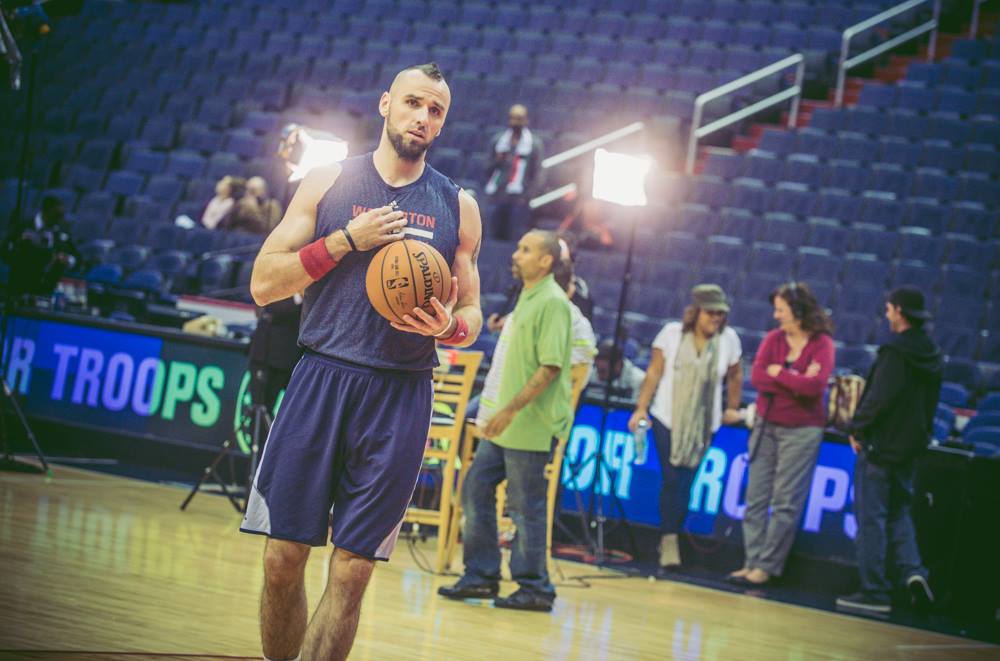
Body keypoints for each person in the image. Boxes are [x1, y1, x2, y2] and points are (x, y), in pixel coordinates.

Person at [241, 62, 483, 661]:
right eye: (413, 104)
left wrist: (449, 327)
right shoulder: (327, 182)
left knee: (351, 573)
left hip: (400, 394)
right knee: (282, 559)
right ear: (384, 105)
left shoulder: (459, 205)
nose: (423, 118)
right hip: (322, 376)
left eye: (436, 111)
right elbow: (264, 284)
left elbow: (474, 313)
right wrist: (346, 240)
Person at [438, 229, 572, 613]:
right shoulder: (526, 298)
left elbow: (550, 368)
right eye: (518, 245)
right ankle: (481, 576)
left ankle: (536, 587)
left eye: (526, 249)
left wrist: (509, 411)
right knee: (476, 488)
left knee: (525, 507)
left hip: (528, 425)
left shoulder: (553, 302)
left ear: (546, 261)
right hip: (503, 422)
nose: (516, 254)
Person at [837, 287, 941, 615]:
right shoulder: (931, 352)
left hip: (880, 448)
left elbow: (878, 398)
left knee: (872, 520)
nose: (886, 314)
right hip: (910, 449)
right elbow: (930, 405)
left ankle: (874, 591)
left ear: (898, 311)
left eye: (889, 309)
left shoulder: (895, 352)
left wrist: (857, 427)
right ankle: (913, 573)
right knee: (900, 514)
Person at [628, 285, 743, 571]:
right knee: (671, 478)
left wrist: (732, 406)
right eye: (710, 312)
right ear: (696, 312)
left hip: (705, 423)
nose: (715, 318)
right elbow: (654, 372)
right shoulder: (670, 334)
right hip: (667, 417)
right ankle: (669, 540)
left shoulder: (729, 340)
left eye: (720, 313)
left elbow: (736, 374)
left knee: (687, 482)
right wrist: (641, 407)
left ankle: (672, 535)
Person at [729, 282, 835, 587]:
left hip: (802, 430)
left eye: (781, 310)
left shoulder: (822, 344)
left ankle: (767, 565)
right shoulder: (773, 339)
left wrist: (781, 374)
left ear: (799, 312)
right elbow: (759, 377)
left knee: (786, 501)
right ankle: (750, 561)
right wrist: (795, 380)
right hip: (766, 424)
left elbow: (815, 389)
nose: (776, 316)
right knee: (756, 496)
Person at [484, 104, 544, 241]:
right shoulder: (498, 141)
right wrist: (497, 161)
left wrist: (528, 196)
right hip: (497, 195)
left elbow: (538, 174)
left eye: (519, 119)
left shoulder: (534, 144)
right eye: (512, 118)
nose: (515, 122)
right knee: (492, 239)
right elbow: (486, 170)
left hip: (519, 200)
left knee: (514, 240)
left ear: (526, 120)